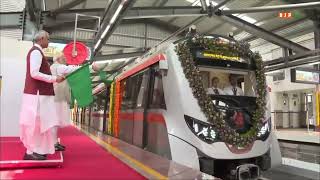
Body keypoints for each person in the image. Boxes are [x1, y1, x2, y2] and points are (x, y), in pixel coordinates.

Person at [19, 30, 64, 160]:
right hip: (37, 95)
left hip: (36, 94)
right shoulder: (36, 52)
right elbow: (34, 73)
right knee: (35, 124)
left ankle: (34, 150)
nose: (48, 41)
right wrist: (54, 79)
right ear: (42, 38)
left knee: (37, 124)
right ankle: (30, 152)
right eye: (48, 39)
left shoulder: (36, 52)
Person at [50, 54, 78, 151]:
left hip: (57, 97)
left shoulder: (55, 67)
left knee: (55, 121)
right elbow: (72, 69)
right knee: (54, 121)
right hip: (57, 98)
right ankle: (52, 144)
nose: (66, 59)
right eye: (64, 57)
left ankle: (54, 142)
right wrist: (90, 66)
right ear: (58, 59)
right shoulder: (59, 67)